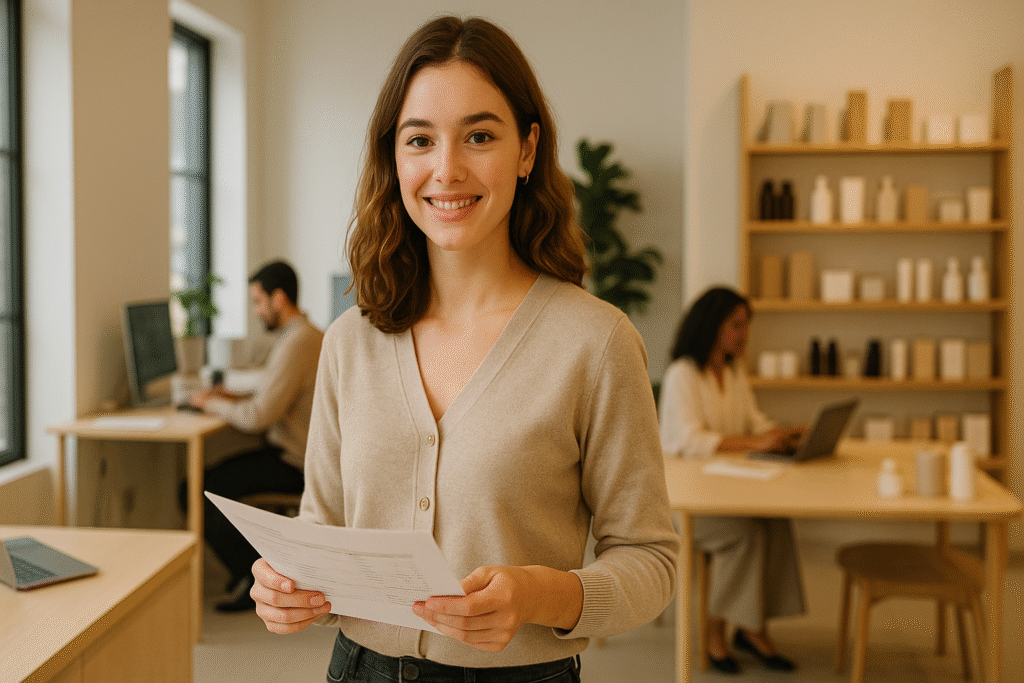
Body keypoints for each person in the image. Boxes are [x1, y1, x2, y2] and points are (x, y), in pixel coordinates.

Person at [249, 15, 679, 682]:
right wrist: (289, 586)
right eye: (420, 139)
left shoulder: (595, 343)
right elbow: (323, 529)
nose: (447, 170)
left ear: (528, 150)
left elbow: (652, 561)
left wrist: (540, 593)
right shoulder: (348, 342)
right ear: (394, 157)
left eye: (480, 135)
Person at [659, 286, 805, 674]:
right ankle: (714, 632)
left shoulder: (734, 372)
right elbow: (688, 440)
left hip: (726, 486)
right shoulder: (682, 375)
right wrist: (757, 441)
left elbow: (754, 422)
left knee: (775, 522)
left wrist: (782, 434)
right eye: (736, 325)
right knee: (745, 534)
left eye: (747, 326)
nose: (744, 335)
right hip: (689, 501)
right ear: (713, 325)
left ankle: (751, 626)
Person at [184, 260, 324, 612]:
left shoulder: (299, 342)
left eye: (258, 301)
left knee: (198, 489)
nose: (257, 311)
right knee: (207, 482)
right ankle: (249, 571)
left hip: (294, 462)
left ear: (278, 298)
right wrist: (230, 398)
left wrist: (211, 402)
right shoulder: (301, 336)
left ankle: (252, 576)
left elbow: (259, 416)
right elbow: (270, 394)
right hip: (296, 454)